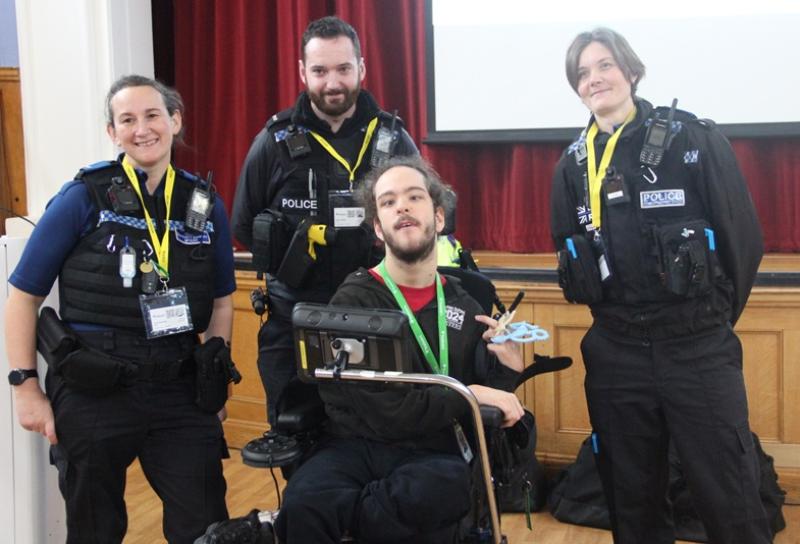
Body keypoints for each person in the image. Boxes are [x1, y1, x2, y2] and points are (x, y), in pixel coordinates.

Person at [550, 28, 770, 543]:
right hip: (616, 351)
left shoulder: (692, 140)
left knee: (728, 492)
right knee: (632, 500)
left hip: (696, 347)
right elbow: (570, 249)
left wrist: (708, 321)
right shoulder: (571, 165)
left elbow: (743, 240)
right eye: (582, 73)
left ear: (630, 71)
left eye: (604, 65)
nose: (594, 79)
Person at [5, 75, 236, 543]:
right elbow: (23, 297)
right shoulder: (82, 197)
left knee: (206, 523)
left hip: (180, 385)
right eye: (126, 120)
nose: (141, 128)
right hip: (96, 385)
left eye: (152, 115)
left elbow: (221, 302)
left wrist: (215, 376)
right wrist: (24, 386)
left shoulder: (204, 204)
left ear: (175, 120)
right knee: (95, 526)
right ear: (113, 132)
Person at [273, 155, 525, 543]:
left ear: (439, 218)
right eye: (388, 202)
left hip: (434, 448)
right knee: (305, 502)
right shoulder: (352, 301)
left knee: (445, 488)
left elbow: (492, 401)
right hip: (356, 443)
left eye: (413, 197)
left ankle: (336, 520)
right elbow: (389, 413)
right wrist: (468, 394)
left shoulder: (467, 304)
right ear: (378, 227)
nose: (401, 207)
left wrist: (508, 370)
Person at [231, 16, 418, 425]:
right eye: (319, 71)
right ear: (302, 72)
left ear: (361, 69)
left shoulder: (394, 139)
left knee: (379, 436)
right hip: (294, 321)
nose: (332, 82)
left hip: (377, 318)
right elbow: (244, 226)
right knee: (300, 448)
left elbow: (425, 219)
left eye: (343, 69)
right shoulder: (273, 141)